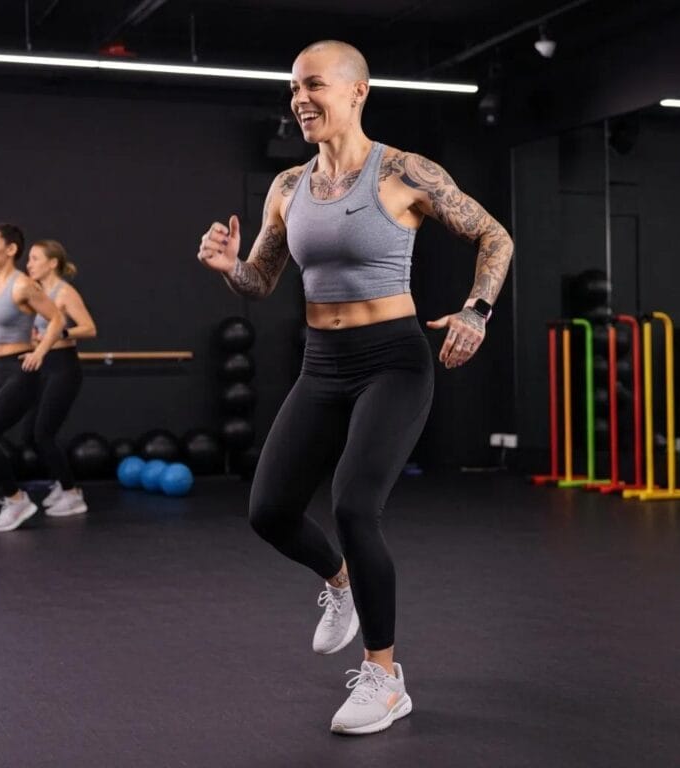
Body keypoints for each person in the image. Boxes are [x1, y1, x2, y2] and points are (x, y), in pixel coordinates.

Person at [197, 40, 513, 735]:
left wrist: (476, 310)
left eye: (313, 86)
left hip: (393, 360)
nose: (299, 100)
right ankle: (338, 584)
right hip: (323, 363)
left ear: (357, 92)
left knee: (353, 504)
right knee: (269, 511)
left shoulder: (404, 173)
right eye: (292, 89)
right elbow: (261, 281)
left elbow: (495, 238)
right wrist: (227, 265)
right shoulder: (287, 187)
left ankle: (385, 677)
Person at [0, 224, 64, 532]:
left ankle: (16, 499)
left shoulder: (23, 286)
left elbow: (57, 318)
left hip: (21, 374)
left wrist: (41, 351)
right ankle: (15, 498)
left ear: (10, 249)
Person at [26, 239, 97, 517]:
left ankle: (71, 494)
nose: (29, 264)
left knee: (43, 433)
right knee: (32, 434)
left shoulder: (64, 292)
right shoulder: (37, 293)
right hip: (43, 366)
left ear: (52, 263)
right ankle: (61, 483)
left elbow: (89, 328)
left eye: (34, 258)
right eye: (28, 259)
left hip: (64, 367)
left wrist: (61, 333)